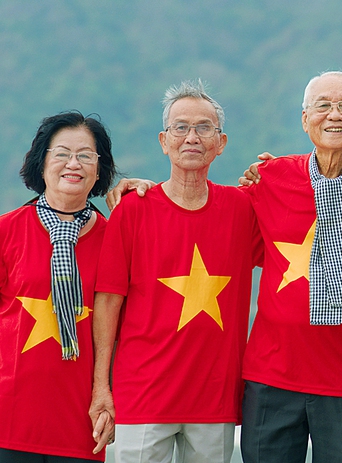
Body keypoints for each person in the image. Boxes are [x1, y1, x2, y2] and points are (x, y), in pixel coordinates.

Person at [239, 71, 342, 463]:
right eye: (324, 105)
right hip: (271, 375)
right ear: (305, 119)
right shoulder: (270, 178)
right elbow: (211, 224)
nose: (335, 114)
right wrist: (144, 194)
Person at [89, 80, 262, 463]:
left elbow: (295, 225)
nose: (192, 137)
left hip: (215, 397)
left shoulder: (241, 208)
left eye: (204, 128)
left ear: (222, 142)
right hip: (143, 394)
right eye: (180, 128)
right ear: (164, 140)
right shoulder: (133, 210)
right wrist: (102, 387)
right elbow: (107, 302)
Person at [0, 111, 116, 462]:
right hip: (8, 416)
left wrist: (107, 394)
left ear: (99, 168)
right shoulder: (7, 230)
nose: (73, 164)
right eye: (62, 153)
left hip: (81, 422)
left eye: (85, 155)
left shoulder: (116, 239)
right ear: (41, 161)